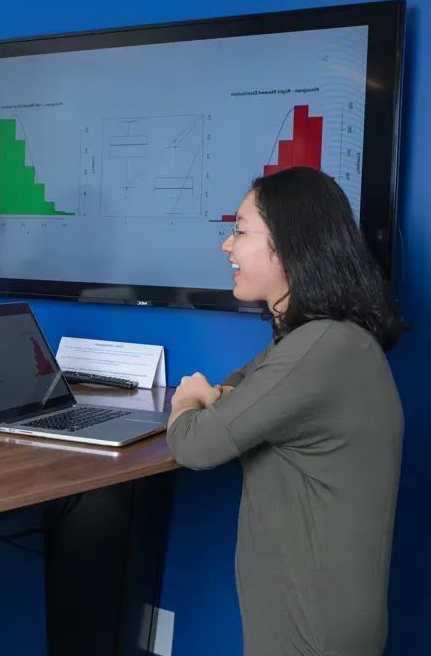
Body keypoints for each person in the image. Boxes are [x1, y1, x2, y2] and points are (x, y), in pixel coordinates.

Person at [165, 166, 403, 656]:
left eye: (240, 231)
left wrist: (186, 399)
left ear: (290, 244)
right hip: (303, 617)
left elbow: (194, 443)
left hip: (313, 628)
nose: (226, 247)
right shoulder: (313, 340)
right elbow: (237, 386)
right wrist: (216, 399)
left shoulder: (323, 346)